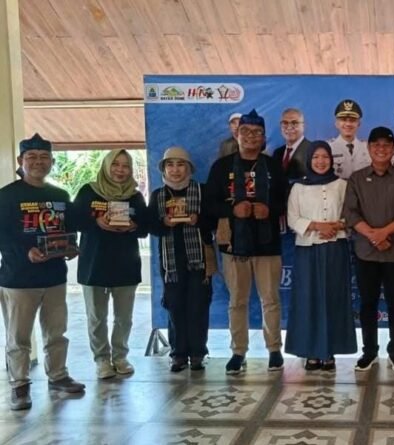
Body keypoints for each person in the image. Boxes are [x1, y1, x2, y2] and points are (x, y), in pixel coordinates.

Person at [0, 134, 85, 411]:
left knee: (57, 332)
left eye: (44, 157)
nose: (38, 162)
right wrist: (26, 252)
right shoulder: (7, 196)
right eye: (32, 157)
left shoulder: (59, 196)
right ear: (20, 161)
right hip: (18, 280)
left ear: (52, 162)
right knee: (19, 337)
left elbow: (69, 228)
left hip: (54, 277)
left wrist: (72, 247)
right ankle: (19, 385)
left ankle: (58, 376)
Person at [206, 109, 288, 375]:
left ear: (264, 138)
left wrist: (270, 210)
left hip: (268, 243)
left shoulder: (273, 167)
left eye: (257, 132)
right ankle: (238, 352)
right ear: (237, 135)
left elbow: (286, 200)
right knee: (237, 301)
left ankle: (274, 349)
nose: (251, 136)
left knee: (270, 300)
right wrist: (232, 210)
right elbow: (210, 204)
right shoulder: (222, 167)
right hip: (234, 243)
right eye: (245, 131)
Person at [343, 127, 394, 373]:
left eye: (386, 145)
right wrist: (374, 236)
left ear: (393, 149)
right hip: (366, 252)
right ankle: (369, 352)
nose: (381, 149)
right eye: (376, 145)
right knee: (368, 304)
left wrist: (384, 233)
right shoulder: (356, 178)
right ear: (369, 148)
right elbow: (350, 213)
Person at [74, 149, 148, 379]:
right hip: (94, 263)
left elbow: (145, 228)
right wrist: (96, 221)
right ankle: (101, 359)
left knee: (124, 317)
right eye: (115, 164)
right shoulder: (89, 191)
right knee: (96, 316)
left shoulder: (134, 196)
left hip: (125, 263)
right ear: (106, 166)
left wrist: (133, 226)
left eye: (125, 166)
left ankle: (120, 356)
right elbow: (75, 221)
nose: (120, 170)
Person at [285, 141, 357, 371]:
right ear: (309, 160)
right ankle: (311, 352)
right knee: (309, 299)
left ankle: (329, 352)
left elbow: (351, 215)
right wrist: (317, 226)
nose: (320, 161)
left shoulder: (342, 185)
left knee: (333, 298)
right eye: (315, 157)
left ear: (331, 159)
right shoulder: (298, 188)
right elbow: (292, 219)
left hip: (335, 248)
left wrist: (334, 227)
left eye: (325, 156)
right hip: (308, 250)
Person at [148, 146, 217, 372]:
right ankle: (178, 354)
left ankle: (198, 353)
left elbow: (214, 221)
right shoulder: (158, 195)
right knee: (175, 306)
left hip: (199, 260)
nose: (175, 170)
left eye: (180, 165)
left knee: (198, 306)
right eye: (170, 165)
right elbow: (151, 226)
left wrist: (198, 220)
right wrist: (163, 223)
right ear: (164, 169)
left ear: (188, 168)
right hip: (171, 263)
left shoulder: (202, 191)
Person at [328, 99, 370, 179]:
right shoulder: (329, 148)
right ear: (336, 123)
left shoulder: (367, 148)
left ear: (359, 124)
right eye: (343, 120)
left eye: (352, 120)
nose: (348, 124)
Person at [274, 107, 313, 182]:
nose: (289, 127)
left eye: (294, 123)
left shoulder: (312, 150)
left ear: (303, 126)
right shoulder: (277, 153)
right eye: (285, 123)